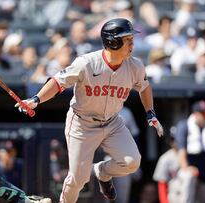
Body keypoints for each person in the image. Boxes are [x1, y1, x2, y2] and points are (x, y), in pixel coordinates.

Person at [15, 18, 164, 203]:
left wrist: (150, 112)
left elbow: (144, 87)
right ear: (113, 42)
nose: (132, 43)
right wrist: (36, 99)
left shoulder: (135, 66)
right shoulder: (87, 63)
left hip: (112, 122)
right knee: (78, 179)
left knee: (132, 162)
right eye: (127, 39)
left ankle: (101, 171)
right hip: (82, 123)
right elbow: (58, 81)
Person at [175, 100, 205, 203]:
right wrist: (186, 167)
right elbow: (181, 150)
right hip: (191, 170)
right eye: (203, 114)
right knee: (189, 179)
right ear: (196, 114)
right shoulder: (184, 126)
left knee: (201, 199)